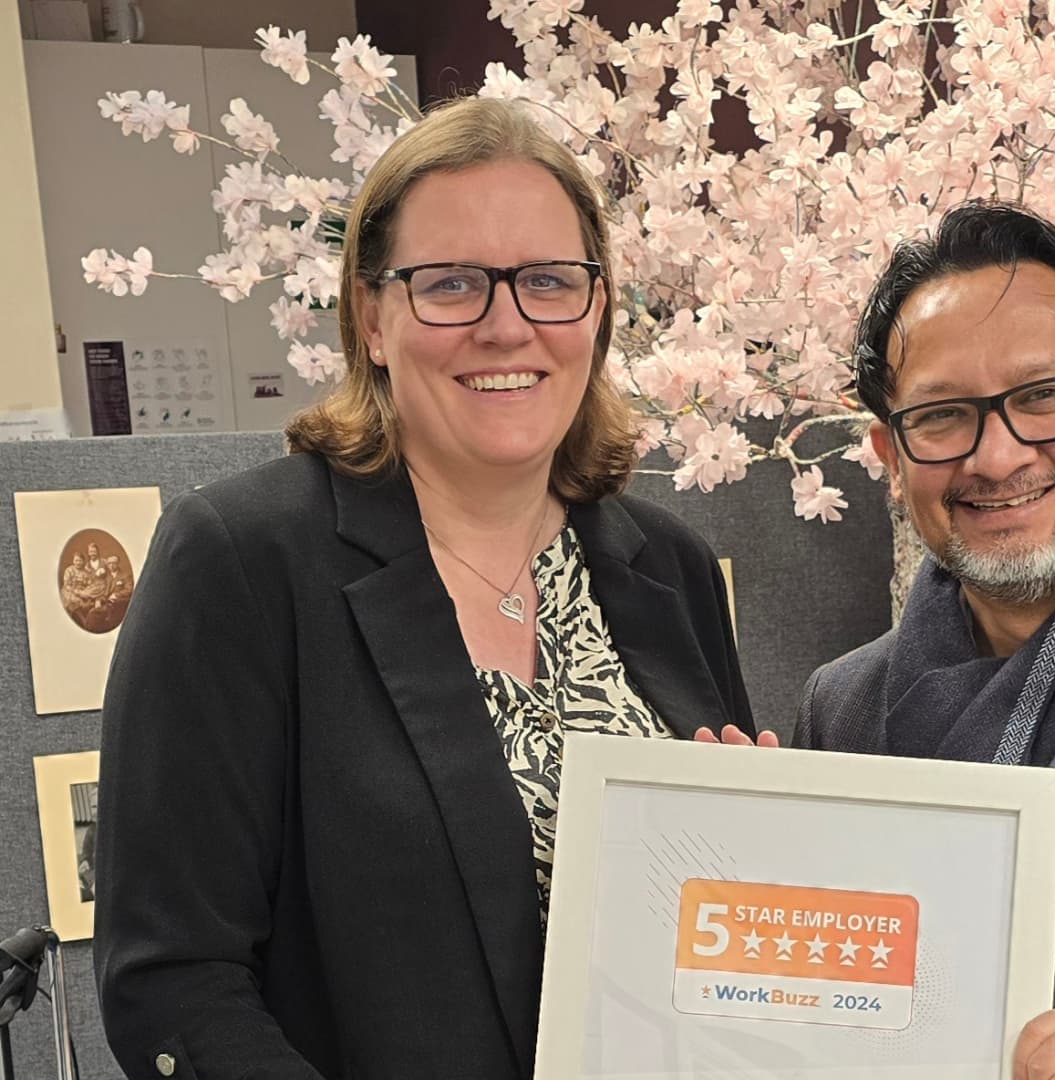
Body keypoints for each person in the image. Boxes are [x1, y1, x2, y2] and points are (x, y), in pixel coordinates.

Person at [94, 97, 753, 1080]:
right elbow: (174, 979)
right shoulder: (239, 563)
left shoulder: (669, 570)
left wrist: (762, 856)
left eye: (548, 281)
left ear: (598, 307)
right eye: (450, 285)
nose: (506, 325)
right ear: (372, 316)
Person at [789, 202, 1055, 1078]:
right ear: (891, 460)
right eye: (941, 416)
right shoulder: (843, 707)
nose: (997, 456)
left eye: (1045, 397)